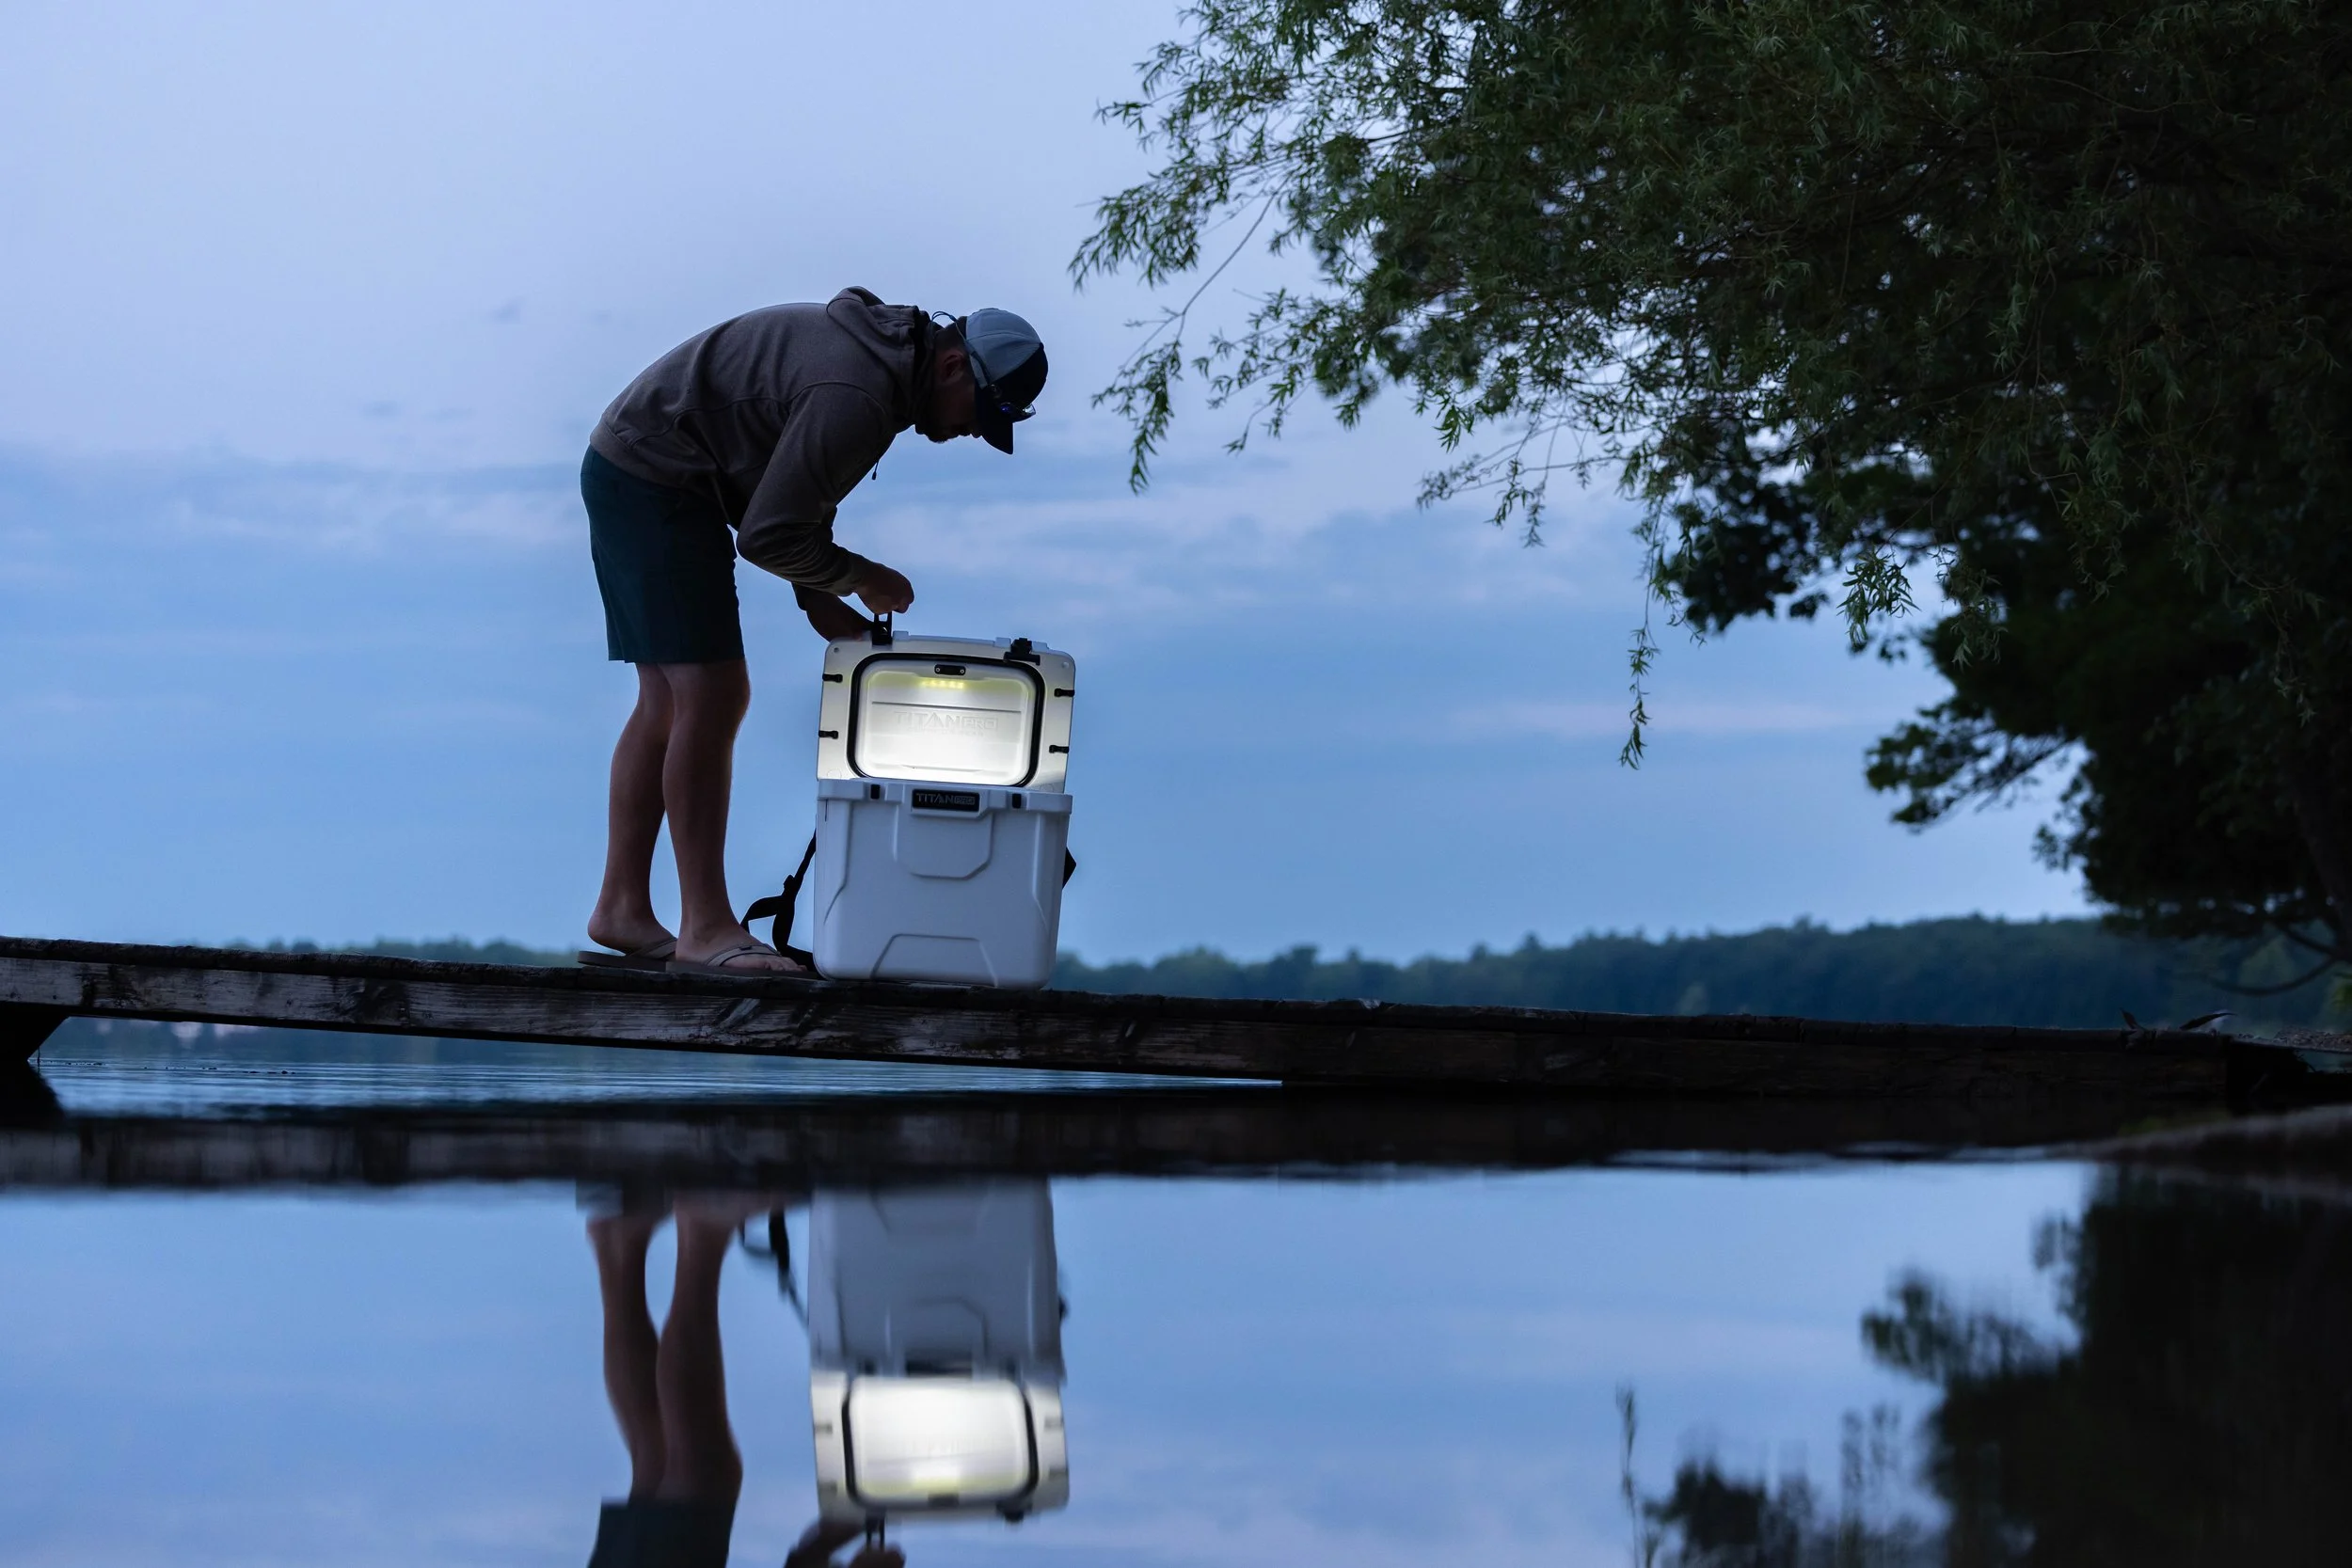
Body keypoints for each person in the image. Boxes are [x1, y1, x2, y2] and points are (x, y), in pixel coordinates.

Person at [579, 289, 1048, 974]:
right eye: (984, 413)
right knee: (711, 695)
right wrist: (857, 574)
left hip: (641, 468)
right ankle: (706, 928)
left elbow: (783, 484)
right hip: (658, 479)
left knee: (668, 701)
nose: (977, 431)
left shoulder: (877, 369)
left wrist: (817, 595)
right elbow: (769, 534)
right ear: (952, 367)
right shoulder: (860, 393)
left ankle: (621, 908)